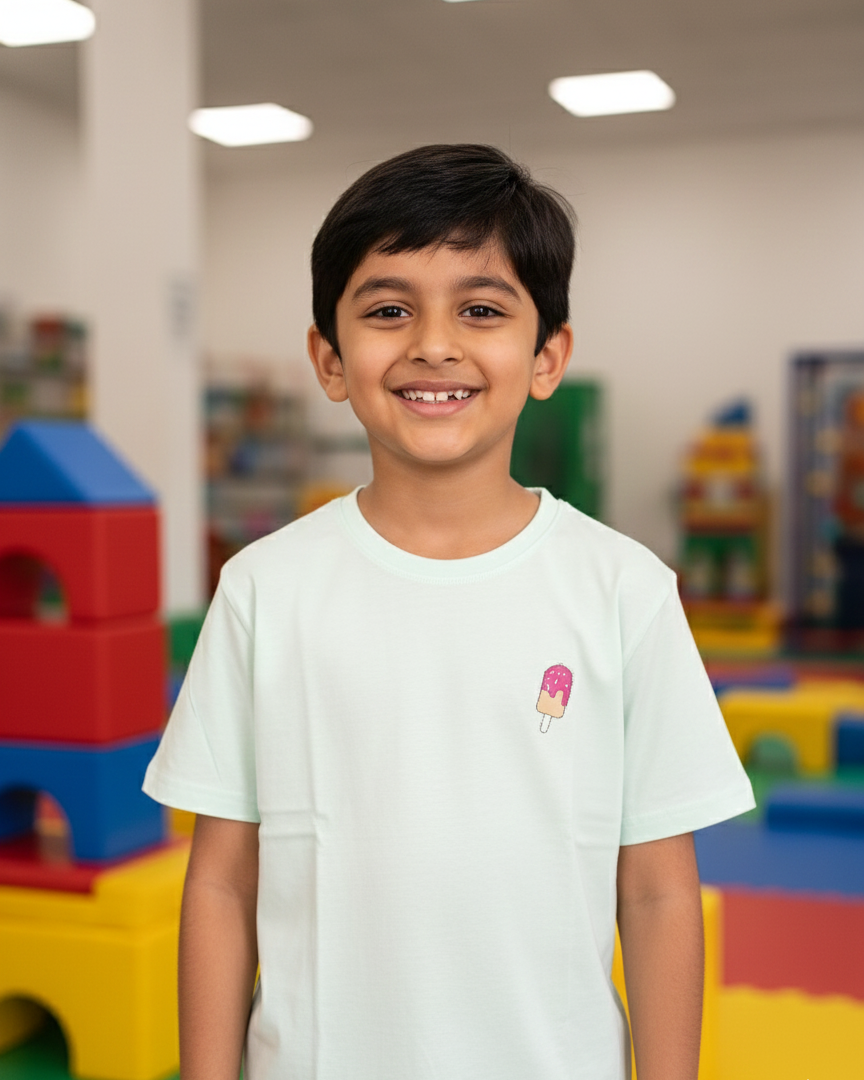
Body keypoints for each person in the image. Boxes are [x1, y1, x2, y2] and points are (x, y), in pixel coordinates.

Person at [143, 143, 754, 1080]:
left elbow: (660, 891)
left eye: (481, 309)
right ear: (329, 357)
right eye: (389, 311)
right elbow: (224, 879)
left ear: (548, 355)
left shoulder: (624, 590)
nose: (434, 343)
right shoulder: (265, 588)